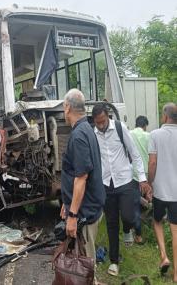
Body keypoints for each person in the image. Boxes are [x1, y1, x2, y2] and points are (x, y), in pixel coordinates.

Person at [92, 103, 150, 277]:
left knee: (128, 216)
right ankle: (114, 261)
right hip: (106, 183)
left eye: (102, 122)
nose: (100, 126)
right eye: (97, 123)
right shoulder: (94, 134)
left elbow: (134, 154)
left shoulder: (120, 128)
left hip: (124, 180)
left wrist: (142, 178)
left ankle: (127, 230)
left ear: (108, 116)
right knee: (111, 223)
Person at [60, 88, 105, 261]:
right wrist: (68, 201)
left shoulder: (79, 135)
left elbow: (81, 178)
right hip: (89, 205)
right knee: (84, 262)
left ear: (67, 107)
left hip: (86, 210)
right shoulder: (86, 128)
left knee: (85, 265)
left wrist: (72, 215)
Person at [148, 103, 177, 280]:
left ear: (165, 117)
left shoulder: (155, 134)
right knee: (175, 231)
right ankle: (176, 274)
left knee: (157, 221)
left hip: (160, 190)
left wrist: (150, 182)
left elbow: (152, 163)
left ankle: (163, 256)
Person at [130, 115, 150, 244]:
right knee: (142, 201)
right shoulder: (148, 136)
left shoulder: (129, 134)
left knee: (134, 204)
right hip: (145, 175)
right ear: (145, 126)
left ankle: (137, 233)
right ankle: (138, 231)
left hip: (132, 175)